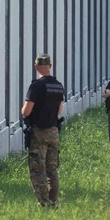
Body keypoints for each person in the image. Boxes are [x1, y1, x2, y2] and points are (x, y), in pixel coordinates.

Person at [22, 53, 65, 207]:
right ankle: (54, 201)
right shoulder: (58, 86)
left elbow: (26, 111)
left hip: (39, 133)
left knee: (38, 168)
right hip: (54, 131)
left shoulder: (36, 86)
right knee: (52, 168)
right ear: (50, 66)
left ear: (36, 67)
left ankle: (44, 202)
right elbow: (59, 110)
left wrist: (23, 111)